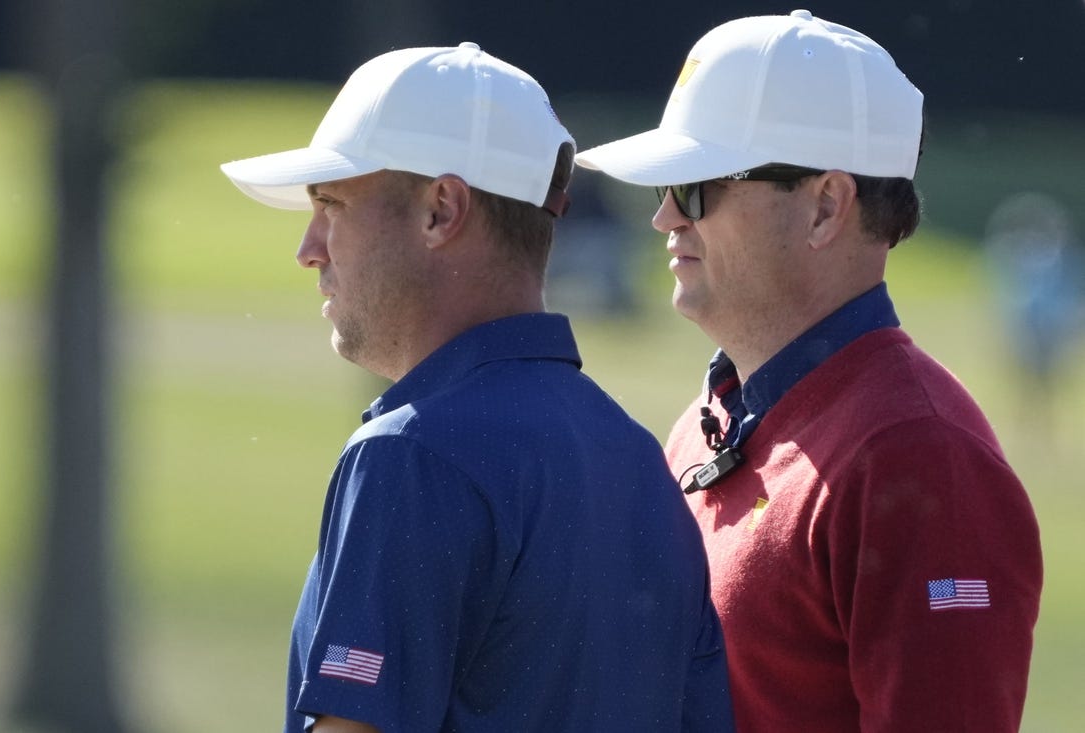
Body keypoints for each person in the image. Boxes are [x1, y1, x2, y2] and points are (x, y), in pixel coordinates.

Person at [220, 42, 735, 733]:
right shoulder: (641, 459)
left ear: (441, 209)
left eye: (333, 205)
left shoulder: (413, 453)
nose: (309, 247)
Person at [576, 10, 1043, 732]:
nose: (665, 218)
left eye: (696, 185)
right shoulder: (714, 417)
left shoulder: (920, 456)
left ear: (826, 206)